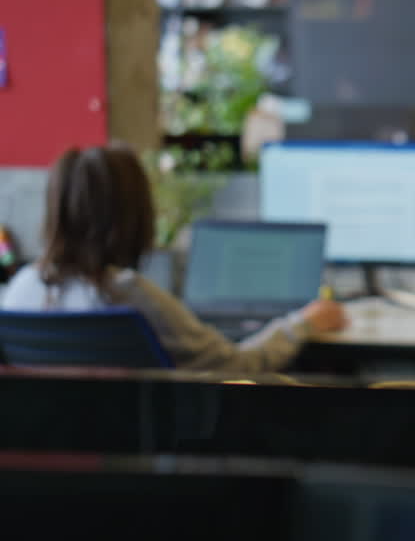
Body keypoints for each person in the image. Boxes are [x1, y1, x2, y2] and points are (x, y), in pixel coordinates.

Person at [0, 144, 346, 372]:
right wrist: (304, 323)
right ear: (135, 214)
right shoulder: (131, 296)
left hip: (45, 470)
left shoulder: (19, 292)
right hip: (147, 465)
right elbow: (238, 365)